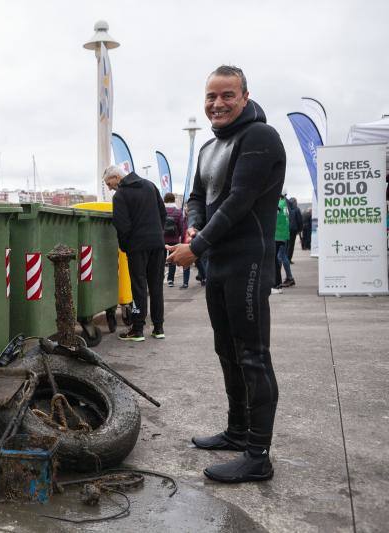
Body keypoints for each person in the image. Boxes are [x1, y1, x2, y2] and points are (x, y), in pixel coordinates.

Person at [165, 65, 284, 483]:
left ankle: (258, 455)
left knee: (253, 356)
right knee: (226, 351)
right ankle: (237, 431)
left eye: (227, 95)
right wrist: (194, 225)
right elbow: (197, 197)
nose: (217, 104)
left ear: (245, 97)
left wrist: (194, 247)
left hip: (249, 261)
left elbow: (238, 201)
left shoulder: (260, 137)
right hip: (218, 263)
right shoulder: (208, 148)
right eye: (211, 96)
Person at [104, 164, 167, 341]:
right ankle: (158, 328)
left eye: (109, 183)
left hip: (137, 247)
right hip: (157, 245)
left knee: (139, 287)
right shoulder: (150, 185)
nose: (109, 187)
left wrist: (125, 246)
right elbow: (163, 213)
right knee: (156, 287)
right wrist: (157, 234)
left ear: (116, 178)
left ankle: (138, 329)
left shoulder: (121, 195)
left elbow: (122, 225)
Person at [163, 192, 189, 288]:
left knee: (160, 261)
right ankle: (170, 280)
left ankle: (159, 278)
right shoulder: (178, 212)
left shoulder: (161, 211)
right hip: (174, 240)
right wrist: (182, 241)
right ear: (174, 200)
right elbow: (182, 227)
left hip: (162, 239)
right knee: (172, 260)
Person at [274, 193, 294, 290]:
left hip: (280, 235)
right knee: (283, 256)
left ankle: (287, 278)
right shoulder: (284, 203)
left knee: (280, 257)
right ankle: (288, 278)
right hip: (284, 234)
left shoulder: (279, 204)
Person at [286, 197, 302, 262]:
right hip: (293, 229)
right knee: (291, 245)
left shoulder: (287, 209)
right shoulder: (297, 209)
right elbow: (299, 220)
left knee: (286, 244)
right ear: (295, 202)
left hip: (286, 229)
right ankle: (289, 259)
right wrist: (300, 229)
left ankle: (285, 258)